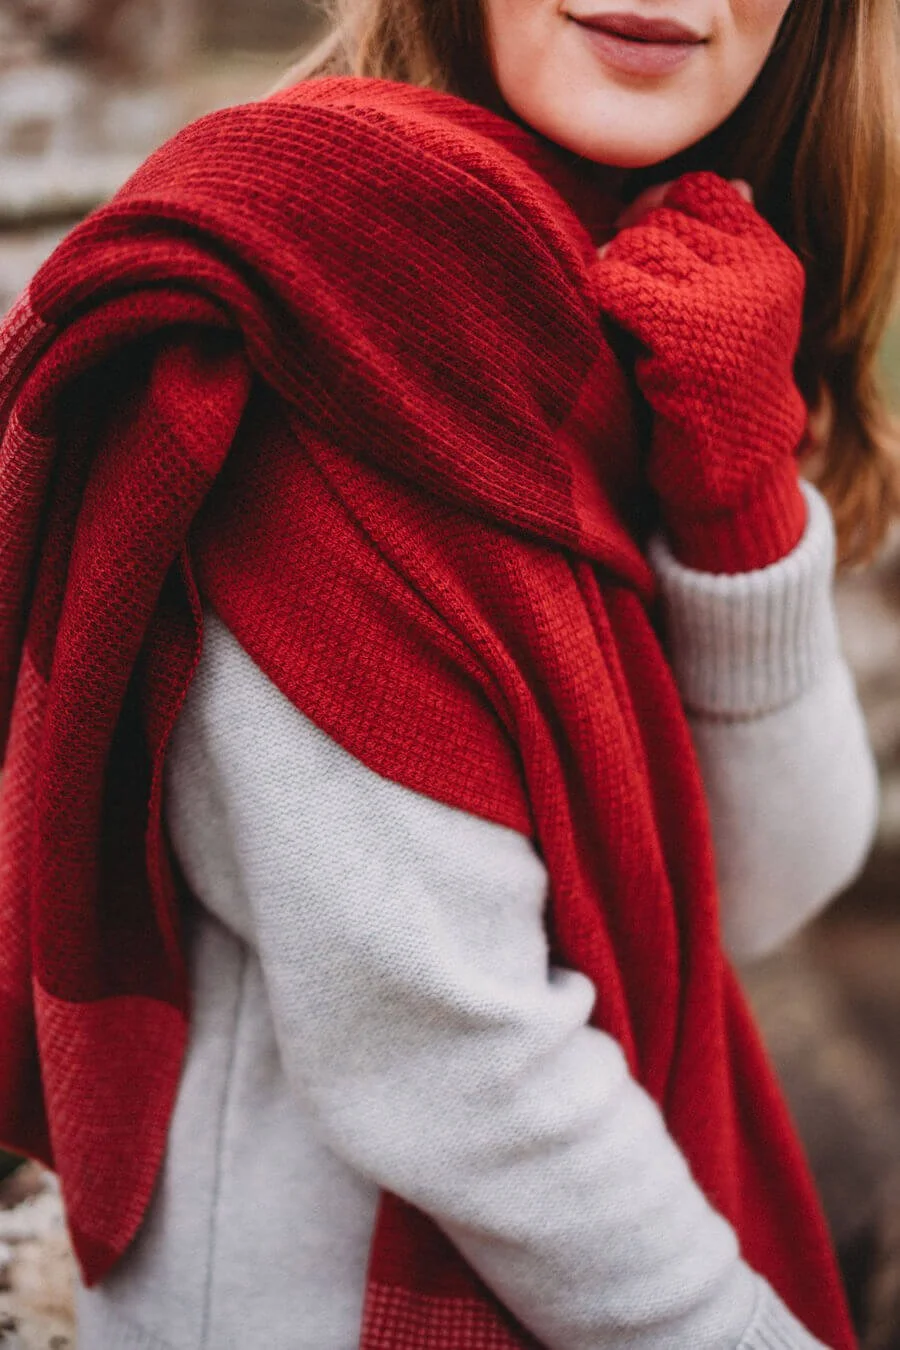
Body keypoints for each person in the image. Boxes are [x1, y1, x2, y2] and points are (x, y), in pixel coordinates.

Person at [0, 0, 898, 1347]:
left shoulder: (661, 285)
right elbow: (446, 1052)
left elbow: (766, 887)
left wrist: (737, 505)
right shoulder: (313, 314)